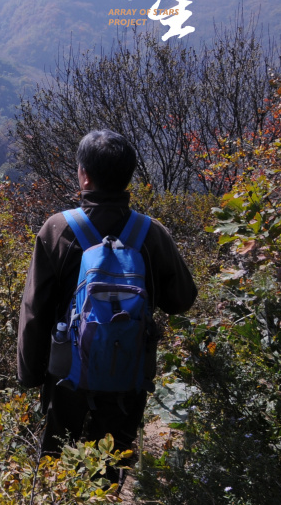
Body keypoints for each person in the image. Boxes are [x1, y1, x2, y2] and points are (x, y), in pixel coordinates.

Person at [17, 129, 198, 465]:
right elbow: (182, 299)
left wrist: (29, 375)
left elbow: (34, 310)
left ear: (84, 175)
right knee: (110, 467)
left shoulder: (58, 229)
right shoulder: (151, 233)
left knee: (57, 467)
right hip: (128, 373)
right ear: (128, 176)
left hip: (65, 375)